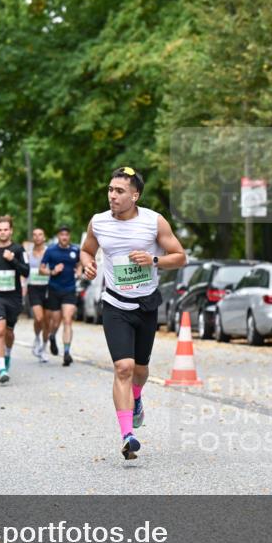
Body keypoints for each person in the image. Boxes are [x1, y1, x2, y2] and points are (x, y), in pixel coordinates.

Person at [80, 167, 186, 459]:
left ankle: (137, 398)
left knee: (139, 370)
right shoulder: (99, 222)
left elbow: (180, 256)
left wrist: (153, 260)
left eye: (119, 191)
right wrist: (88, 264)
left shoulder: (154, 221)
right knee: (123, 367)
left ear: (135, 195)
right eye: (110, 190)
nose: (112, 196)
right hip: (115, 305)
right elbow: (87, 250)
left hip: (146, 305)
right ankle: (128, 435)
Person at [0, 215, 29, 383]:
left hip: (13, 298)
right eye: (0, 230)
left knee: (9, 332)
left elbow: (26, 271)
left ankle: (8, 353)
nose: (3, 232)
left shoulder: (18, 250)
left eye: (6, 229)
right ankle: (1, 367)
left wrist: (13, 260)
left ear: (10, 231)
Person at [41, 225, 81, 367]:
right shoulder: (51, 250)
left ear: (69, 236)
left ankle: (66, 353)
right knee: (56, 321)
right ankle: (52, 336)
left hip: (70, 289)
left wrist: (79, 272)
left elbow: (80, 263)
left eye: (66, 234)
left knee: (67, 320)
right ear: (58, 236)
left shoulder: (75, 250)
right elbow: (41, 269)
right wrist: (52, 271)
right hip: (54, 289)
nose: (64, 237)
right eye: (62, 234)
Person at [25, 227, 52, 362]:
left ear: (44, 237)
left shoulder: (50, 252)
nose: (37, 237)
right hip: (33, 287)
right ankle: (36, 338)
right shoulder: (28, 253)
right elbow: (24, 271)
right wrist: (24, 286)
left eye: (40, 234)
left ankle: (44, 347)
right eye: (34, 235)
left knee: (47, 321)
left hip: (48, 287)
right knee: (39, 318)